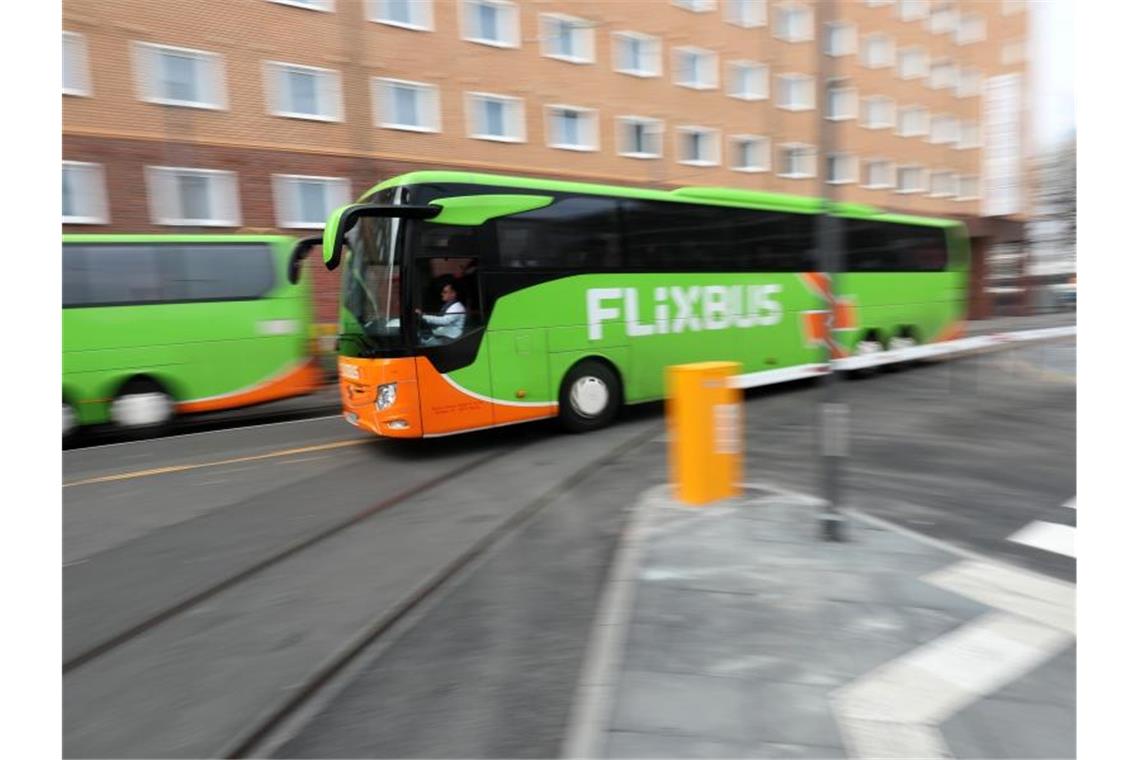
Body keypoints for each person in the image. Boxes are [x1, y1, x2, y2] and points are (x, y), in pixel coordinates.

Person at [415, 277, 466, 344]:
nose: (442, 294)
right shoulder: (449, 305)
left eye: (445, 292)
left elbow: (444, 321)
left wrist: (423, 316)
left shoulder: (457, 307)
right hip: (444, 335)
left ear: (453, 294)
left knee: (423, 342)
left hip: (450, 339)